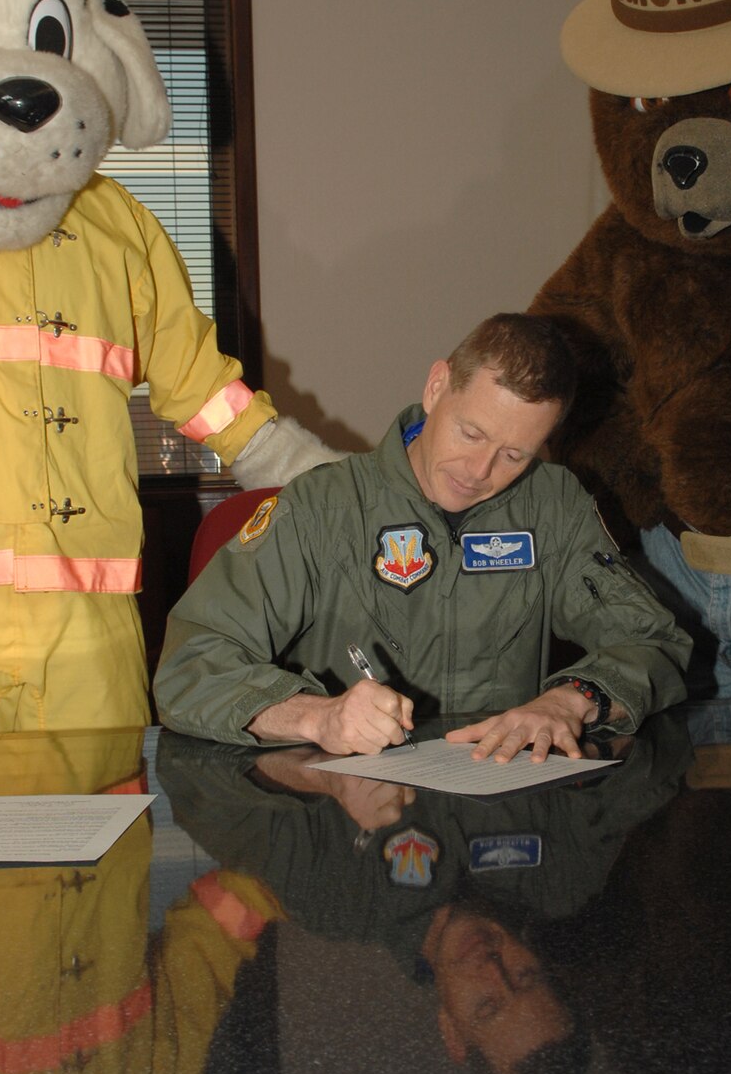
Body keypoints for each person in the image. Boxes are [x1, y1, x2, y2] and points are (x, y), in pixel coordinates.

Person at [153, 314, 691, 759]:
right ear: (436, 388)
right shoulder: (322, 508)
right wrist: (318, 716)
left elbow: (653, 642)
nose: (479, 470)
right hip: (349, 819)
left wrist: (571, 701)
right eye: (471, 432)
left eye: (514, 454)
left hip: (500, 819)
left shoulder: (552, 505)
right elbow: (190, 666)